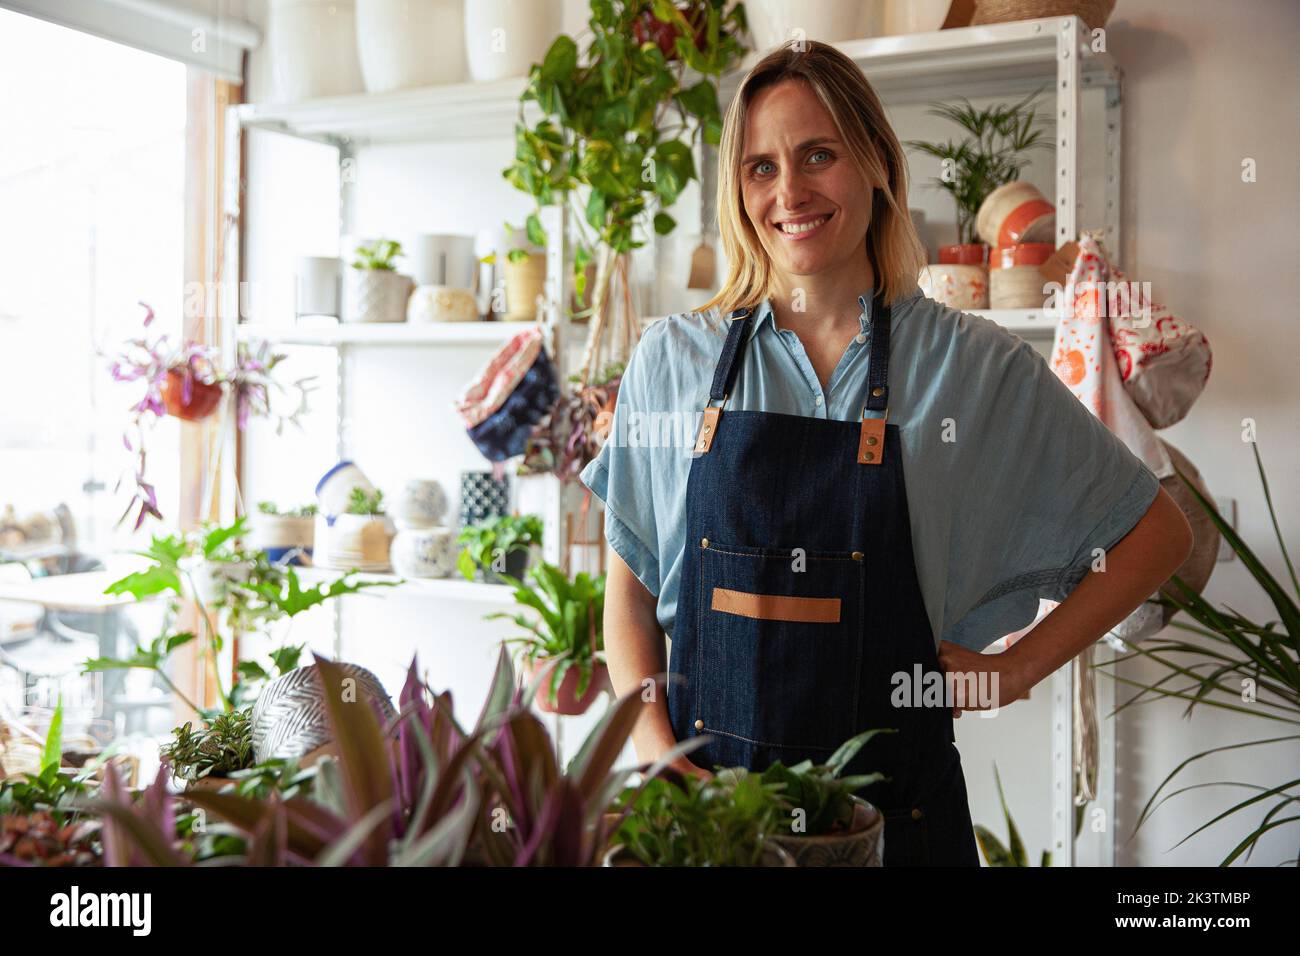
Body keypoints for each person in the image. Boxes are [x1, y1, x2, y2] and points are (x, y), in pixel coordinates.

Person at [578, 40, 1193, 866]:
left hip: (903, 833)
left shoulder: (973, 367)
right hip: (712, 825)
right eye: (760, 168)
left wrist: (1015, 670)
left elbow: (1158, 533)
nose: (789, 192)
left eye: (818, 155)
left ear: (876, 162)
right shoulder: (671, 359)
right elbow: (629, 599)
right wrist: (662, 764)